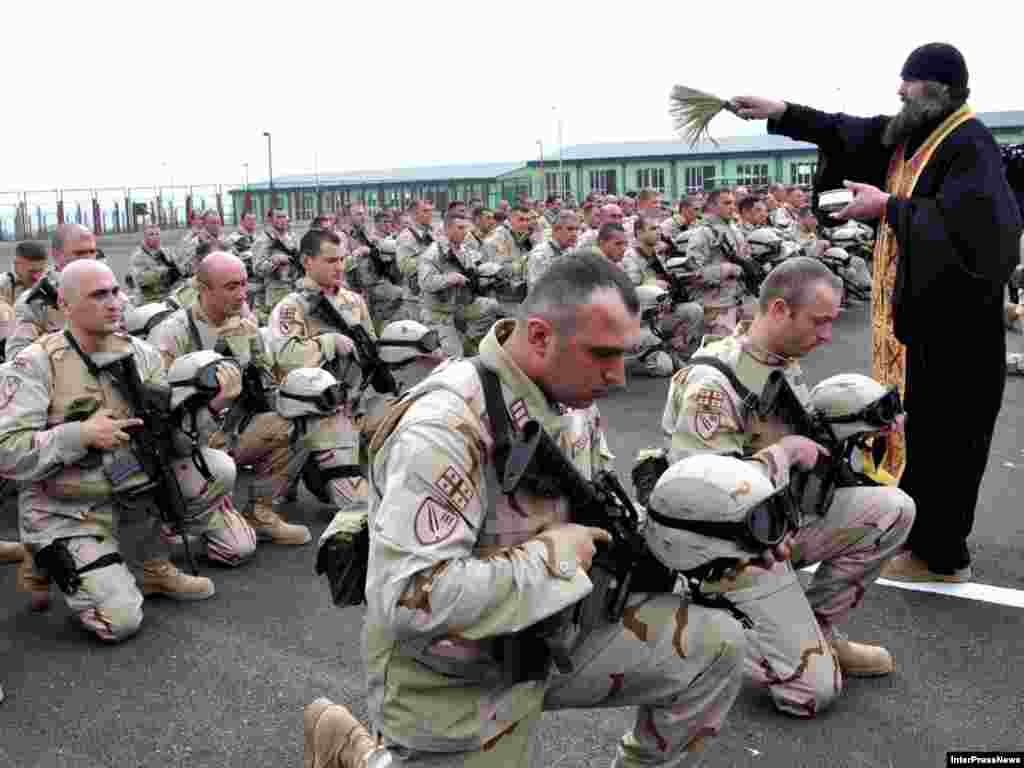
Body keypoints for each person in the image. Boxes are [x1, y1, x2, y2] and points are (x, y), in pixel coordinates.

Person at [304, 252, 747, 768]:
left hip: (553, 631)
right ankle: (353, 748)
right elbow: (405, 599)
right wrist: (554, 559)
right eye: (603, 355)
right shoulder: (445, 426)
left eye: (622, 354)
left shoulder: (567, 396)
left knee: (716, 646)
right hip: (456, 671)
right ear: (539, 337)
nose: (618, 376)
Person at [733, 42, 1023, 582]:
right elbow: (855, 131)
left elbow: (982, 236)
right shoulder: (924, 136)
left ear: (935, 91)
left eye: (907, 84)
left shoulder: (969, 144)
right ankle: (922, 544)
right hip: (928, 331)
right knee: (927, 439)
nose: (898, 91)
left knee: (950, 447)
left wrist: (888, 206)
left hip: (961, 336)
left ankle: (943, 559)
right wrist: (783, 113)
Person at [660, 257, 916, 716]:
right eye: (819, 322)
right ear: (779, 309)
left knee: (892, 509)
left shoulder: (780, 362)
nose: (827, 336)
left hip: (777, 524)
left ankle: (816, 634)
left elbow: (796, 431)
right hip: (728, 550)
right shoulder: (714, 383)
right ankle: (696, 644)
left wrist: (860, 423)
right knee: (810, 695)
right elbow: (699, 500)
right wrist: (787, 454)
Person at [0, 260, 255, 638]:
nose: (114, 302)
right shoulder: (34, 364)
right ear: (65, 305)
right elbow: (7, 451)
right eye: (99, 294)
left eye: (116, 291)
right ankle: (45, 555)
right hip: (68, 507)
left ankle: (148, 564)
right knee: (120, 622)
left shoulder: (142, 354)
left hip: (128, 487)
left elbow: (173, 441)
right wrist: (80, 434)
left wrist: (211, 409)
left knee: (217, 468)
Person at [147, 251, 313, 546]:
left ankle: (260, 512)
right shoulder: (171, 334)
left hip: (232, 431)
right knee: (237, 548)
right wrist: (213, 403)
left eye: (244, 284)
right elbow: (158, 412)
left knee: (297, 423)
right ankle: (183, 518)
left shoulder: (246, 328)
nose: (242, 294)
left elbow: (267, 382)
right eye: (231, 287)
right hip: (188, 444)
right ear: (203, 289)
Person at [8, 224, 99, 361]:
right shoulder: (33, 302)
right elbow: (17, 358)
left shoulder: (107, 290)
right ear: (57, 255)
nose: (88, 259)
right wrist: (64, 340)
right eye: (79, 253)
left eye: (92, 252)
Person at [685, 188, 755, 337]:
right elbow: (692, 273)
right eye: (727, 203)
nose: (732, 207)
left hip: (739, 300)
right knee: (719, 353)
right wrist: (725, 269)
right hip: (716, 306)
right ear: (712, 206)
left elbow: (745, 257)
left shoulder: (735, 229)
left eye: (733, 203)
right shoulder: (702, 233)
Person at [253, 207, 302, 313]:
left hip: (296, 289)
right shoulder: (263, 240)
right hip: (277, 292)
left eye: (284, 216)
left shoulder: (293, 238)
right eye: (279, 217)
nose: (282, 220)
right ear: (270, 220)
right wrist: (274, 261)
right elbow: (257, 269)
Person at [128, 223, 189, 306]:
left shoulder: (166, 252)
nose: (155, 237)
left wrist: (179, 271)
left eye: (157, 234)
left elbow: (178, 272)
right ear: (145, 237)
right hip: (148, 299)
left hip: (167, 296)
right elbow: (139, 279)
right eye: (151, 234)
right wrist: (161, 272)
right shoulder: (138, 256)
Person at [526, 210, 579, 289]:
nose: (574, 234)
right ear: (555, 230)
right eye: (570, 229)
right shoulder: (540, 255)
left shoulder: (570, 251)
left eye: (576, 229)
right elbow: (537, 291)